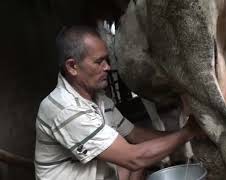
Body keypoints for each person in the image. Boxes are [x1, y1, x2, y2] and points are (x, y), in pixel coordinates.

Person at [34, 26, 202, 180]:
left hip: (102, 174)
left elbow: (135, 135)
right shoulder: (65, 108)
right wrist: (189, 132)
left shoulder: (100, 100)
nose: (107, 67)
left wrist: (187, 135)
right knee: (133, 160)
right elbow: (134, 158)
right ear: (72, 67)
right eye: (99, 62)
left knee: (132, 159)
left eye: (107, 60)